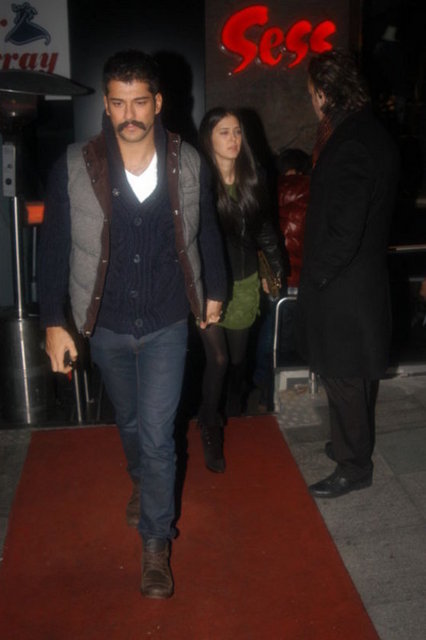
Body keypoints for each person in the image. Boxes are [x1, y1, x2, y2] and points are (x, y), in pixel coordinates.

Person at [38, 49, 227, 599]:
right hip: (107, 322)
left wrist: (215, 288)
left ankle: (155, 543)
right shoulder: (75, 165)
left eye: (139, 102)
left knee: (158, 435)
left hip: (167, 319)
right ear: (107, 103)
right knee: (128, 421)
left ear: (158, 102)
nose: (129, 115)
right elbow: (52, 248)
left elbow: (206, 231)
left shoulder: (188, 162)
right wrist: (53, 321)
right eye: (118, 103)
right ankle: (142, 481)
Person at [296, 49, 400, 498]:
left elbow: (344, 229)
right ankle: (349, 443)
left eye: (311, 93)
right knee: (351, 376)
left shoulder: (352, 142)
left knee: (343, 378)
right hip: (357, 281)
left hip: (344, 287)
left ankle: (354, 466)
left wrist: (316, 277)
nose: (312, 102)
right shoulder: (365, 131)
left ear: (324, 92)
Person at [196, 107, 284, 473]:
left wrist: (275, 266)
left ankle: (230, 406)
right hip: (207, 285)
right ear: (208, 138)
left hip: (245, 282)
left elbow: (265, 228)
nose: (233, 139)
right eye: (224, 132)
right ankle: (208, 425)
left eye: (237, 132)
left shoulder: (254, 176)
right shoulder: (198, 179)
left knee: (235, 361)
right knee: (217, 359)